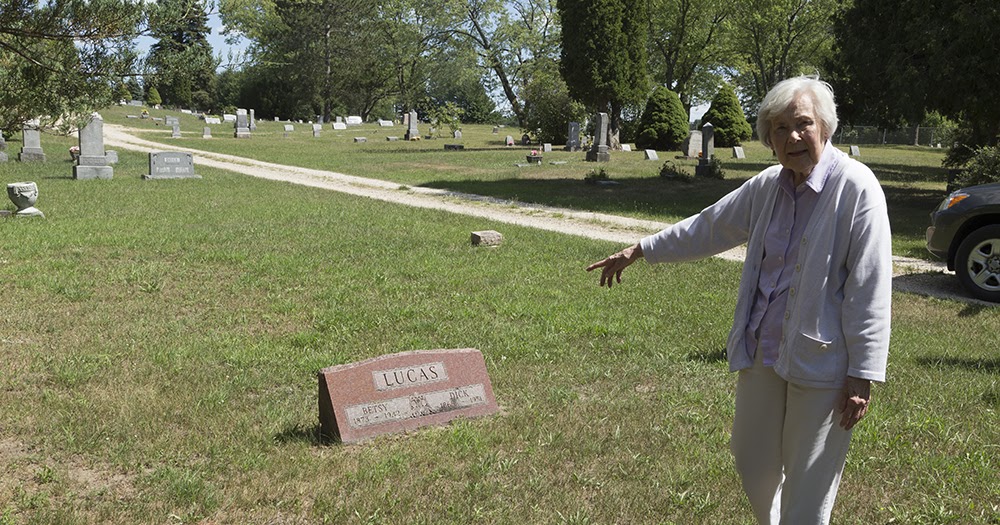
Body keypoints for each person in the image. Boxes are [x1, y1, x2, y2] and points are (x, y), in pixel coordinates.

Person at [586, 76, 891, 525]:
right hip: (762, 350)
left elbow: (870, 285)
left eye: (802, 124)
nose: (792, 137)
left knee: (809, 487)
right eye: (779, 128)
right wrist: (641, 249)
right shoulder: (768, 185)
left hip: (822, 362)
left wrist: (863, 372)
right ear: (769, 139)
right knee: (753, 462)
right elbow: (709, 226)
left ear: (824, 127)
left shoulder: (856, 188)